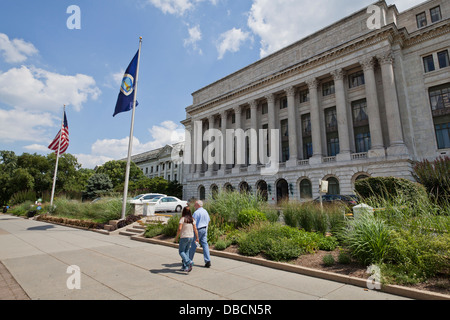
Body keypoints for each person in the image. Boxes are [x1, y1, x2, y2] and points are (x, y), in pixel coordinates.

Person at [175, 206, 199, 272]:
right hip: (191, 237)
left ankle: (189, 262)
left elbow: (179, 228)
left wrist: (177, 237)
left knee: (181, 251)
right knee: (186, 251)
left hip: (184, 237)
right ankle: (185, 267)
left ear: (183, 211)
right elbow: (195, 229)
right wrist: (197, 238)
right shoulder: (192, 219)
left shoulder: (182, 219)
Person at [189, 200, 211, 268]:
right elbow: (208, 220)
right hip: (204, 229)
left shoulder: (196, 212)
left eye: (195, 205)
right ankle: (207, 260)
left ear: (198, 205)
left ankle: (188, 260)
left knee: (193, 245)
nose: (194, 206)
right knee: (205, 245)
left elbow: (193, 222)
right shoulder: (205, 211)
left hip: (198, 230)